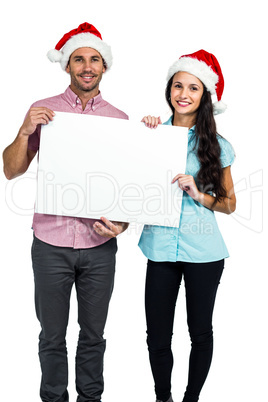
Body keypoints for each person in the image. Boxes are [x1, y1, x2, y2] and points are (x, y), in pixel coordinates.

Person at [3, 22, 129, 402]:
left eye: (94, 59)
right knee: (52, 336)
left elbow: (130, 187)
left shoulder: (120, 119)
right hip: (50, 243)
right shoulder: (44, 110)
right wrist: (25, 132)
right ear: (67, 66)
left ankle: (91, 398)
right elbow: (10, 170)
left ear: (104, 67)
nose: (87, 66)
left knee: (94, 335)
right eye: (79, 59)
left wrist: (122, 223)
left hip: (99, 245)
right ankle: (53, 398)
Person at [139, 50, 236, 402]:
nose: (184, 94)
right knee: (157, 336)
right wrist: (144, 136)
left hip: (204, 252)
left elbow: (229, 204)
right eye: (178, 86)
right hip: (159, 248)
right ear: (169, 91)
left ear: (204, 96)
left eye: (193, 88)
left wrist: (197, 192)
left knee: (200, 333)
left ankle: (190, 399)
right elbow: (130, 188)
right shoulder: (150, 134)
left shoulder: (218, 145)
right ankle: (162, 397)